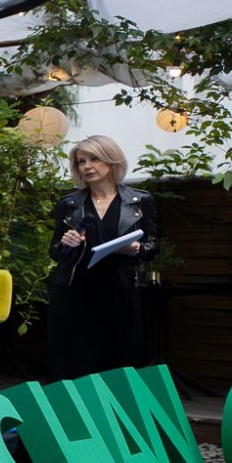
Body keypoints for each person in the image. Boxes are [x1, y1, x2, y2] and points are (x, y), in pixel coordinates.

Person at [47, 134, 158, 380]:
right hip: (75, 292)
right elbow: (55, 251)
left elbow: (153, 245)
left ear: (112, 161)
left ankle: (115, 417)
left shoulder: (139, 201)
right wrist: (66, 243)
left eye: (94, 159)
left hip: (120, 290)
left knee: (120, 363)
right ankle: (73, 416)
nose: (87, 166)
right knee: (73, 364)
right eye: (81, 161)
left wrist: (137, 248)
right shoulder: (69, 203)